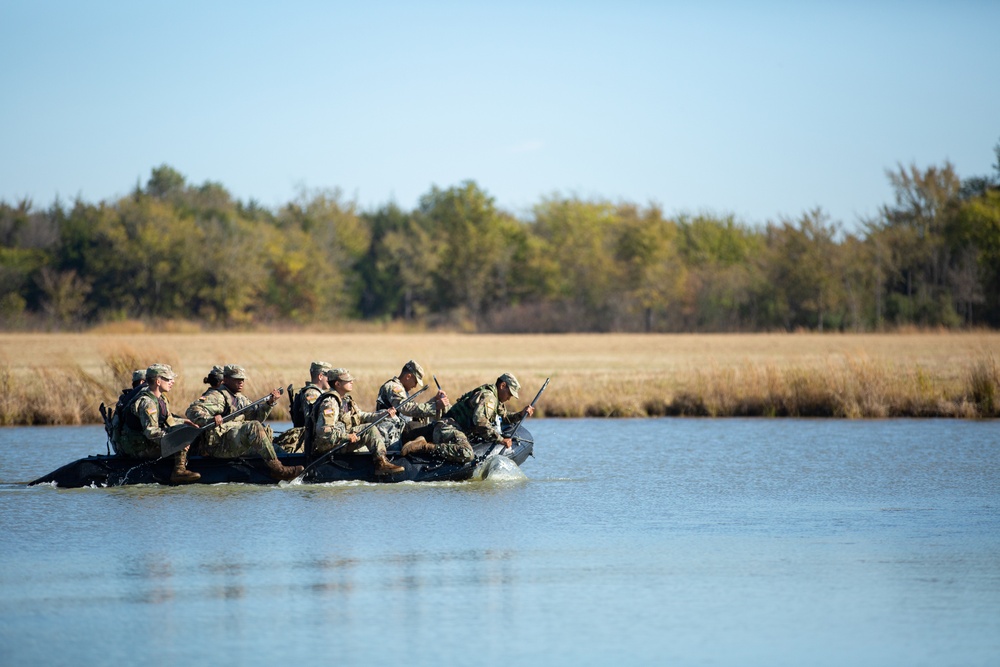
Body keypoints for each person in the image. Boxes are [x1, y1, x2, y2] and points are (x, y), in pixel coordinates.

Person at [186, 364, 303, 481]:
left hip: (234, 442)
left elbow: (256, 417)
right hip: (220, 446)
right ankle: (278, 470)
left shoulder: (241, 398)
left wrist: (269, 404)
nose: (241, 382)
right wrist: (210, 419)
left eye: (242, 380)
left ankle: (297, 466)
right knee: (254, 427)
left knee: (274, 448)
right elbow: (192, 411)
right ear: (225, 379)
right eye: (237, 379)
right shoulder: (217, 396)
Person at [401, 372, 534, 463]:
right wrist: (500, 440)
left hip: (450, 427)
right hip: (448, 428)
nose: (510, 398)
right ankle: (423, 446)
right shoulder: (489, 397)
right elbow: (480, 422)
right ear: (502, 385)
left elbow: (504, 417)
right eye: (509, 393)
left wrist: (520, 414)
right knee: (466, 453)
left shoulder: (494, 397)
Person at [115, 364, 201, 484]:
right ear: (158, 381)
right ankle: (178, 471)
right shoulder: (147, 402)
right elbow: (151, 432)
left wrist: (186, 422)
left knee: (184, 428)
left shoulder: (161, 399)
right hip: (138, 446)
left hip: (145, 440)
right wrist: (176, 441)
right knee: (181, 433)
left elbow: (168, 421)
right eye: (168, 379)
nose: (172, 382)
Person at [312, 368, 404, 475]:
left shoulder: (346, 400)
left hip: (340, 442)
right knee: (369, 429)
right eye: (347, 380)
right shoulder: (330, 403)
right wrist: (347, 436)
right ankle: (381, 464)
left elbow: (361, 416)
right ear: (337, 383)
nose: (351, 382)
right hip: (329, 446)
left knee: (374, 428)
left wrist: (383, 415)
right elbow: (323, 431)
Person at [374, 360, 449, 448]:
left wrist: (435, 401)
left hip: (403, 429)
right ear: (408, 376)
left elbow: (414, 411)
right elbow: (405, 408)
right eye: (416, 382)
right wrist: (434, 406)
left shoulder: (403, 390)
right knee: (434, 430)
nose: (415, 386)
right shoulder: (393, 387)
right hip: (393, 432)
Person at [274, 361, 332, 454]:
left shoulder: (318, 393)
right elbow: (313, 419)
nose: (331, 379)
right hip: (309, 442)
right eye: (328, 376)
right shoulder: (312, 393)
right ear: (320, 376)